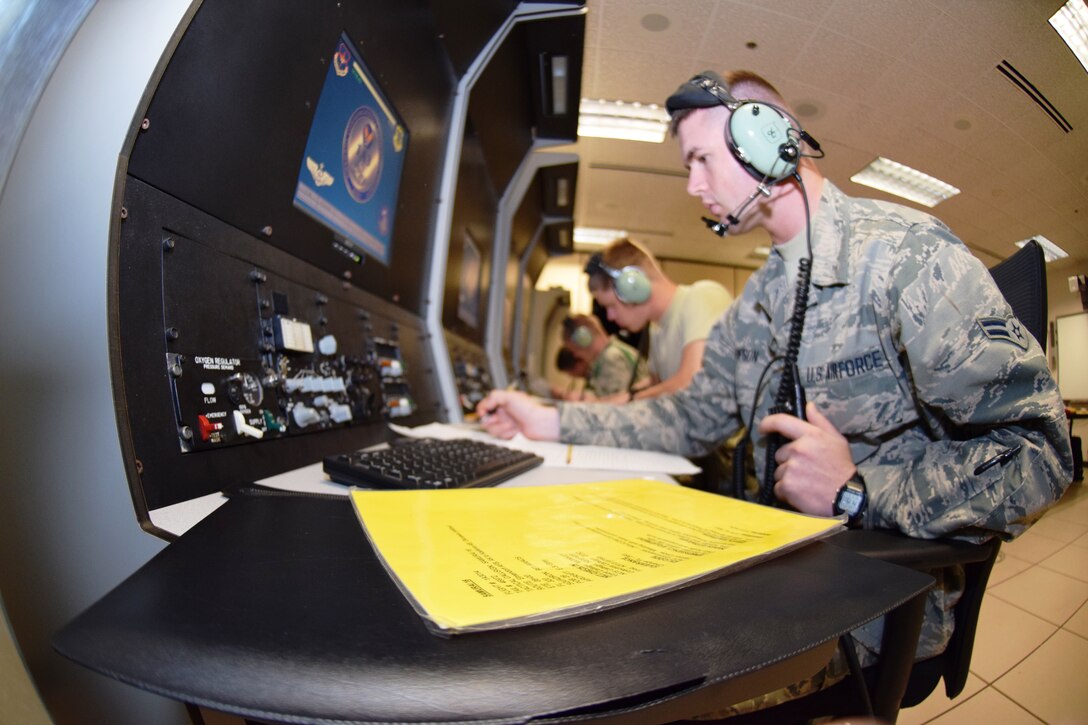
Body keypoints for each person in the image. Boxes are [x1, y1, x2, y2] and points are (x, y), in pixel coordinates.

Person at [478, 69, 1073, 714]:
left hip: (872, 605)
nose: (692, 187)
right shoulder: (755, 304)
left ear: (767, 139)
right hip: (777, 569)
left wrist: (857, 490)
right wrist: (552, 422)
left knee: (634, 695)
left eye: (700, 160)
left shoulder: (904, 256)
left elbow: (1038, 453)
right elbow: (686, 418)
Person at [585, 237, 732, 400]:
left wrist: (628, 401)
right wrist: (611, 401)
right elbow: (656, 383)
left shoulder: (703, 296)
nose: (610, 317)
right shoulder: (656, 328)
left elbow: (692, 382)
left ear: (634, 287)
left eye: (611, 306)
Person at [556, 313, 648, 402]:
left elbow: (615, 407)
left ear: (584, 341)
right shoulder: (606, 358)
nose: (576, 355)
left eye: (574, 350)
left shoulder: (612, 358)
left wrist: (589, 402)